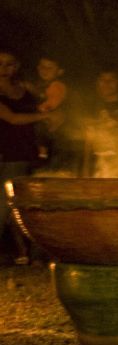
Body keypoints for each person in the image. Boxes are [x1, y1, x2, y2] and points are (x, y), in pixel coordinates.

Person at [0, 48, 60, 264]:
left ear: (17, 66)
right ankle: (22, 253)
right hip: (6, 154)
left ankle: (28, 255)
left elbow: (46, 102)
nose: (5, 69)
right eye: (0, 64)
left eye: (10, 64)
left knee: (22, 206)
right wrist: (44, 116)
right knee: (4, 206)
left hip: (27, 153)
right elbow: (13, 118)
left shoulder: (25, 89)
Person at [81, 66, 118, 177]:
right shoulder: (91, 107)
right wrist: (85, 169)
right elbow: (88, 141)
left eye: (111, 80)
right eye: (102, 79)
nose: (106, 83)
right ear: (97, 82)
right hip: (97, 165)